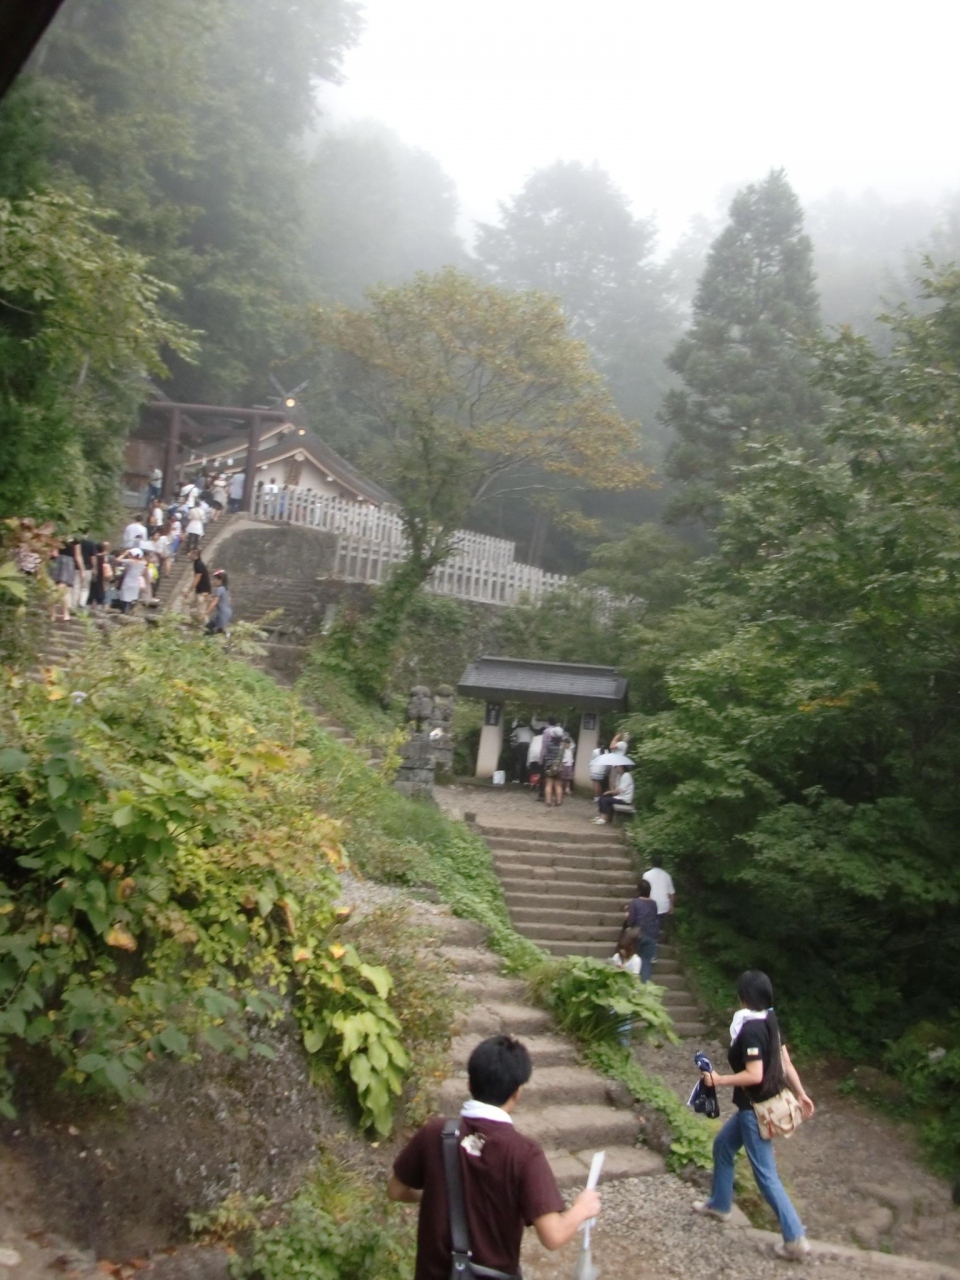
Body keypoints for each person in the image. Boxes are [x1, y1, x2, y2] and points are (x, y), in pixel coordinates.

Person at [388, 1034, 601, 1280]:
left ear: (469, 1083)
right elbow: (553, 1236)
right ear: (517, 1093)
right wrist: (581, 1208)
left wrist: (439, 1194)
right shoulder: (524, 1154)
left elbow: (395, 1190)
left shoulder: (434, 1133)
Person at [694, 970, 815, 1261]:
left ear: (744, 998)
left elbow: (754, 1074)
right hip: (766, 1103)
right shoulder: (770, 1021)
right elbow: (785, 1060)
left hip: (755, 1110)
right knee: (723, 1146)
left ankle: (795, 1237)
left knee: (765, 1175)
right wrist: (801, 1093)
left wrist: (719, 1080)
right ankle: (720, 1205)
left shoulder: (750, 1030)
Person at [622, 879, 660, 982]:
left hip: (638, 935)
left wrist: (626, 915)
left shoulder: (635, 902)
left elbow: (631, 921)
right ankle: (644, 987)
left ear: (638, 891)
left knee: (633, 960)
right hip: (651, 936)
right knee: (646, 962)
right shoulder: (654, 904)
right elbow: (655, 918)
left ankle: (632, 983)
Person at [594, 760, 635, 824]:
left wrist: (609, 792)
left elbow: (619, 791)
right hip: (620, 797)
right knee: (602, 797)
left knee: (605, 800)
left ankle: (604, 818)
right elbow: (618, 788)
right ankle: (601, 815)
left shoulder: (626, 776)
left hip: (624, 799)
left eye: (616, 767)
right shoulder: (620, 776)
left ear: (622, 767)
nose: (616, 769)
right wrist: (613, 785)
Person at [642, 863, 676, 939]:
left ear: (652, 863)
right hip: (663, 905)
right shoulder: (667, 875)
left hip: (649, 903)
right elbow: (672, 893)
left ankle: (650, 938)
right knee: (658, 921)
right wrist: (671, 905)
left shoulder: (646, 875)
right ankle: (654, 938)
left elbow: (643, 889)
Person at [114, 547, 147, 614]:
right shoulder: (143, 563)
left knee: (124, 598)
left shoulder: (129, 561)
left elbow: (117, 560)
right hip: (136, 583)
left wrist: (124, 554)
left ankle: (123, 612)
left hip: (128, 581)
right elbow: (145, 563)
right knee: (132, 599)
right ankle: (131, 612)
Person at [541, 721, 565, 807]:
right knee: (558, 784)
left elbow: (545, 753)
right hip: (558, 766)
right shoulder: (563, 746)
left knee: (548, 784)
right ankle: (558, 801)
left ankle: (548, 801)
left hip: (549, 765)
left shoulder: (549, 744)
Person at [183, 554, 211, 620]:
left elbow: (197, 578)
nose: (189, 554)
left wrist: (189, 591)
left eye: (190, 553)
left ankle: (206, 628)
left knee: (201, 614)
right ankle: (186, 620)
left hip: (203, 592)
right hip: (198, 590)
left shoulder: (199, 564)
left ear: (195, 555)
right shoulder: (196, 563)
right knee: (185, 601)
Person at [204, 569, 232, 635]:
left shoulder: (219, 589)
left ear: (220, 580)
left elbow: (214, 602)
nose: (214, 581)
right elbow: (226, 601)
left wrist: (207, 612)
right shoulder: (225, 589)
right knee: (214, 627)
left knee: (215, 629)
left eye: (215, 579)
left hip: (222, 613)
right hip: (227, 612)